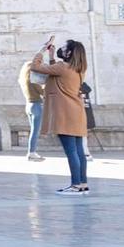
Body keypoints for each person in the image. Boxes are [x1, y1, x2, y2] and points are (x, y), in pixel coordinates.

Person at [34, 38, 91, 193]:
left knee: (71, 151)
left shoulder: (62, 67)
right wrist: (52, 57)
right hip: (77, 113)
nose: (61, 49)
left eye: (64, 48)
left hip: (64, 114)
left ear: (69, 52)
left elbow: (36, 67)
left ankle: (74, 185)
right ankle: (82, 184)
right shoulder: (79, 69)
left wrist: (41, 50)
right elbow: (56, 74)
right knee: (79, 151)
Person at [22, 57, 50, 162]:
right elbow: (42, 92)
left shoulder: (23, 79)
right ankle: (32, 152)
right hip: (36, 105)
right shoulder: (33, 80)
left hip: (28, 104)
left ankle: (31, 152)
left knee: (33, 130)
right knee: (35, 131)